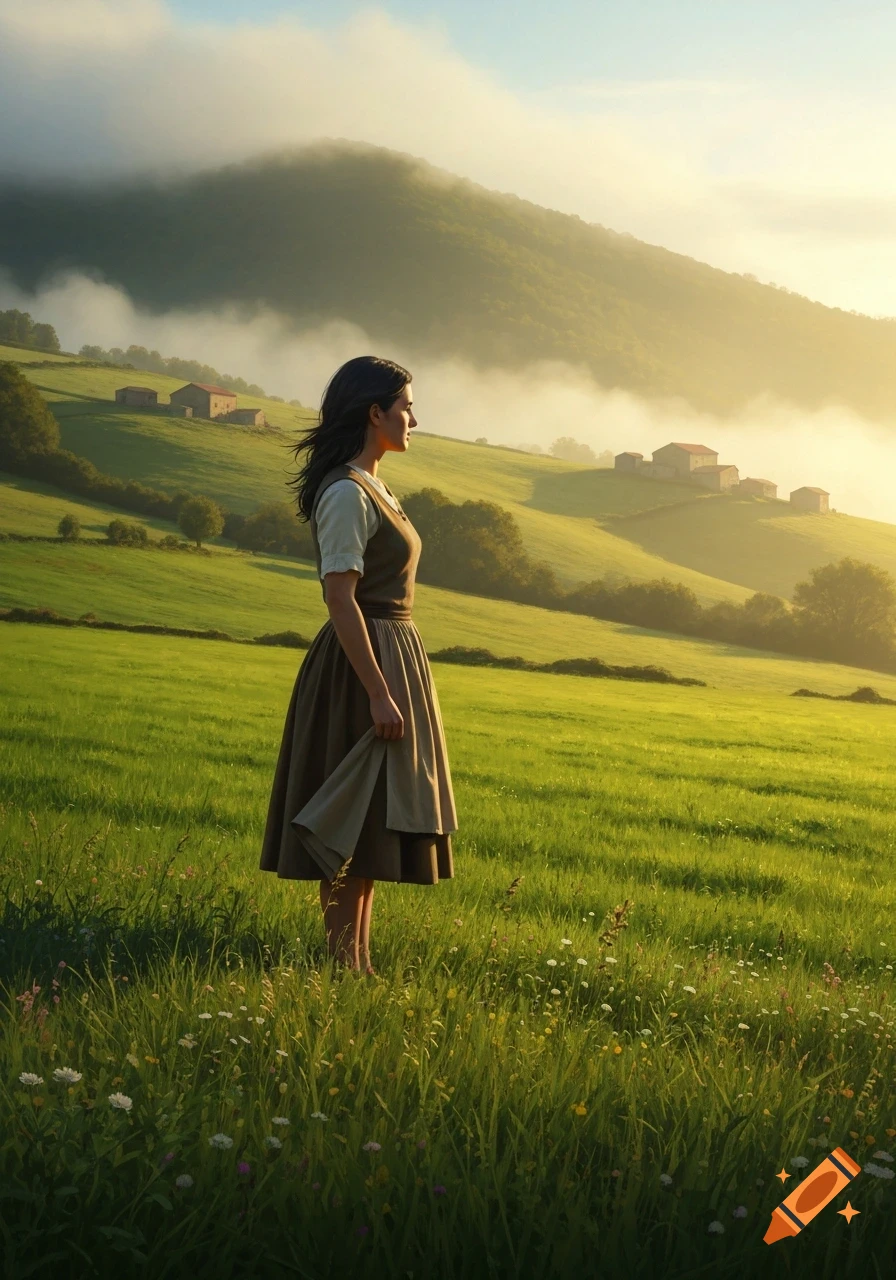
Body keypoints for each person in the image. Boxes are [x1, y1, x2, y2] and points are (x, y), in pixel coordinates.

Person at [259, 356, 457, 974]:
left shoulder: (376, 487)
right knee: (348, 818)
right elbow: (340, 597)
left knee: (371, 822)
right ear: (375, 413)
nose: (413, 420)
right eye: (405, 408)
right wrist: (376, 690)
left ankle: (358, 967)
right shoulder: (347, 492)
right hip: (359, 666)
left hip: (392, 655)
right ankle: (344, 967)